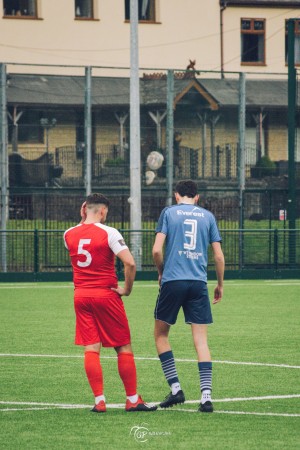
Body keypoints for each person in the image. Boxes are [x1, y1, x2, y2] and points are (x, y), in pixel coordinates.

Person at [64, 193, 157, 413]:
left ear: (84, 208)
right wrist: (127, 289)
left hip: (81, 295)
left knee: (91, 346)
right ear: (103, 210)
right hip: (105, 294)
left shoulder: (68, 234)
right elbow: (130, 263)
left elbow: (80, 242)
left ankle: (99, 401)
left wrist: (82, 218)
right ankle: (133, 399)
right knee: (123, 345)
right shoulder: (109, 233)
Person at [152, 180, 225, 413]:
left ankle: (176, 390)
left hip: (173, 281)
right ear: (197, 197)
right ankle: (205, 398)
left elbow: (156, 249)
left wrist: (162, 272)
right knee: (201, 341)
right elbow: (219, 256)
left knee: (161, 335)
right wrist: (220, 284)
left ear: (176, 196)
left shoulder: (168, 213)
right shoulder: (208, 216)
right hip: (198, 283)